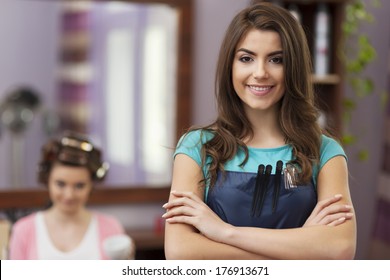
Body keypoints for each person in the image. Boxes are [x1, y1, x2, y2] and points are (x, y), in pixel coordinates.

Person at [163, 2, 357, 259]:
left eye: (276, 60)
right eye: (246, 58)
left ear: (294, 68)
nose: (260, 72)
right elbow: (181, 252)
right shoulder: (197, 147)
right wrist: (301, 249)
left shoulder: (325, 153)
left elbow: (340, 248)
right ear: (230, 66)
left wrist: (224, 232)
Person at [8, 132, 135, 259]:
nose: (69, 195)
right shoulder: (23, 230)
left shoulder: (111, 228)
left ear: (91, 185)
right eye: (60, 184)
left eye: (79, 186)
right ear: (47, 181)